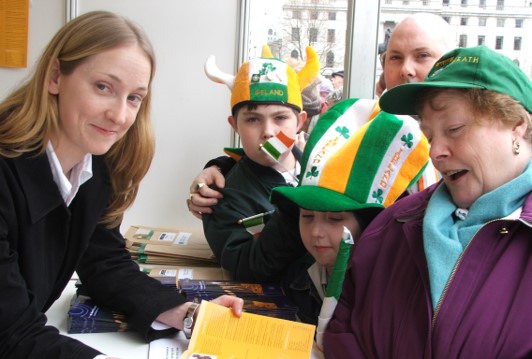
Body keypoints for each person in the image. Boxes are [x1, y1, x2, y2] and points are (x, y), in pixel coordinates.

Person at [0, 11, 242, 359]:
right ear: (55, 76)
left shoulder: (95, 166)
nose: (120, 116)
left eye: (134, 98)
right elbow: (11, 332)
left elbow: (104, 261)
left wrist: (184, 313)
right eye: (103, 87)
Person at [324, 45, 532, 357]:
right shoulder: (393, 226)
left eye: (455, 129)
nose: (435, 153)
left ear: (517, 125)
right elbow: (344, 332)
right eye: (430, 135)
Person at [186, 12, 455, 219]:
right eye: (395, 58)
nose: (406, 69)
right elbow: (284, 160)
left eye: (422, 56)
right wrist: (221, 167)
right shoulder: (359, 123)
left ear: (452, 61)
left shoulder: (477, 136)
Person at [269, 97, 431, 325]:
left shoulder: (392, 291)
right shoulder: (298, 276)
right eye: (306, 215)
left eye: (335, 218)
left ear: (370, 223)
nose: (316, 231)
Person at [199, 46, 319, 281]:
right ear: (235, 126)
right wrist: (295, 208)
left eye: (281, 118)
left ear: (300, 122)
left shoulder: (325, 170)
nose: (268, 132)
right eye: (253, 119)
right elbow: (246, 264)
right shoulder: (223, 198)